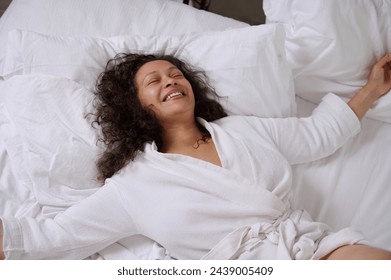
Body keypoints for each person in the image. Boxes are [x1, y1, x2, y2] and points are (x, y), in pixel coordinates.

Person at [1, 52, 391, 260]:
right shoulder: (133, 185)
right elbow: (56, 236)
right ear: (134, 104)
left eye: (176, 74)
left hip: (311, 248)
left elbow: (316, 134)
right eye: (154, 81)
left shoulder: (244, 129)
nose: (170, 80)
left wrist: (373, 89)